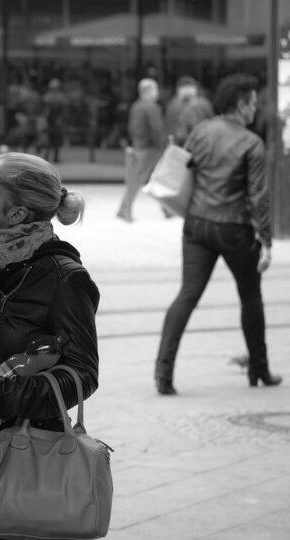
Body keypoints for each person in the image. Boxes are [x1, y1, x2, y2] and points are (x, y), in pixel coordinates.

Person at [0, 152, 100, 539]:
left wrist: (0, 396)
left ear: (15, 215)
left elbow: (84, 374)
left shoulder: (65, 278)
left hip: (26, 459)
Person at [154, 74, 282, 395]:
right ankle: (259, 368)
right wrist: (265, 240)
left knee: (187, 295)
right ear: (241, 105)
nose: (255, 107)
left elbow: (186, 168)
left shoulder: (202, 130)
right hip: (233, 228)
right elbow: (258, 196)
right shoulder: (251, 142)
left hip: (197, 224)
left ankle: (163, 373)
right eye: (253, 101)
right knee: (250, 296)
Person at [117, 78, 166, 222]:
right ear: (148, 91)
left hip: (139, 145)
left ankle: (167, 210)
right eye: (155, 89)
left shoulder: (136, 106)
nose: (157, 92)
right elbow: (156, 129)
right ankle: (125, 209)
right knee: (141, 180)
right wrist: (161, 147)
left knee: (144, 179)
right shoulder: (152, 107)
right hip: (149, 148)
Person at [165, 76, 213, 147]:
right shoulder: (173, 105)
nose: (187, 90)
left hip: (200, 141)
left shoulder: (204, 103)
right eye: (185, 87)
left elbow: (211, 121)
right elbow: (169, 126)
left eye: (189, 86)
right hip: (181, 143)